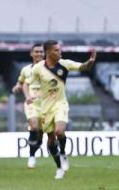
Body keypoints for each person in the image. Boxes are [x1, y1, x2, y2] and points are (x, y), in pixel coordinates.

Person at [24, 40, 96, 180]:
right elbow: (27, 84)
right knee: (51, 140)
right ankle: (59, 168)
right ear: (49, 52)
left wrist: (91, 61)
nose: (60, 52)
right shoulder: (38, 68)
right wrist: (27, 97)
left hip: (60, 104)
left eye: (60, 49)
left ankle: (63, 153)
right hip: (46, 108)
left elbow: (83, 67)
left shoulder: (65, 64)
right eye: (56, 50)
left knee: (59, 131)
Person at [12, 43, 44, 168]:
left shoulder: (49, 69)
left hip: (46, 104)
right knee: (34, 126)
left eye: (41, 52)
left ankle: (33, 152)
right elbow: (21, 82)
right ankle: (31, 157)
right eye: (36, 51)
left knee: (40, 137)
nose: (39, 54)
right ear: (31, 54)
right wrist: (17, 87)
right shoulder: (26, 70)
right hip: (32, 103)